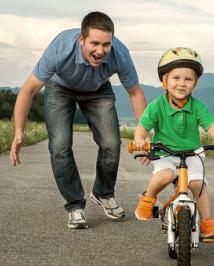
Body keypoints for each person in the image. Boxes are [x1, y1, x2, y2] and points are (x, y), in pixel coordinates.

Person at [9, 11, 147, 229]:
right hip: (59, 88)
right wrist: (19, 131)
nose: (100, 51)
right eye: (94, 43)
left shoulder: (120, 53)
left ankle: (103, 193)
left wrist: (143, 133)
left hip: (98, 89)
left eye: (106, 44)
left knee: (111, 143)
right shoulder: (60, 49)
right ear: (81, 39)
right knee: (60, 146)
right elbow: (28, 90)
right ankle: (74, 205)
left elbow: (135, 93)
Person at [134, 47, 214, 238]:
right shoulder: (157, 106)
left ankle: (207, 222)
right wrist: (139, 139)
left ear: (195, 83)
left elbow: (212, 125)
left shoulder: (197, 106)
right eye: (176, 78)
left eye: (188, 79)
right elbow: (143, 125)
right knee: (165, 176)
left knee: (197, 184)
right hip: (165, 153)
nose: (181, 84)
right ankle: (148, 199)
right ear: (165, 81)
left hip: (193, 153)